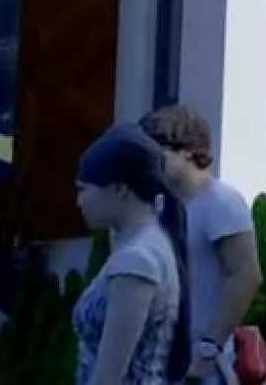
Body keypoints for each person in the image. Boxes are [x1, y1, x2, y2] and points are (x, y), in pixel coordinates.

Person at [142, 103, 263, 382]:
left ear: (187, 150)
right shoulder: (159, 203)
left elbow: (246, 276)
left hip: (200, 363)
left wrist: (208, 348)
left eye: (155, 151)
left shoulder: (221, 202)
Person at [73, 122, 192, 385]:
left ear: (119, 189)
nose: (78, 202)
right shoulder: (143, 242)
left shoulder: (137, 261)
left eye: (83, 189)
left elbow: (108, 377)